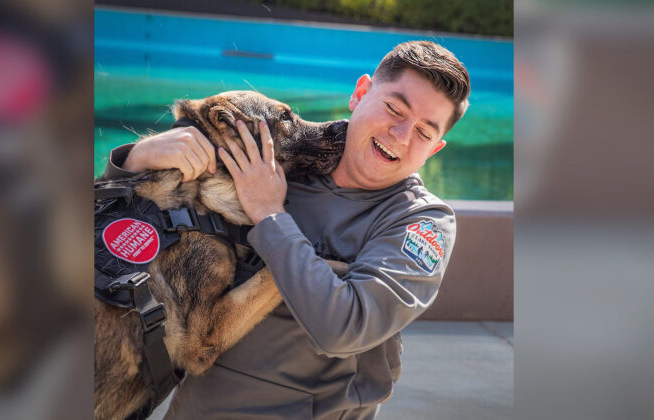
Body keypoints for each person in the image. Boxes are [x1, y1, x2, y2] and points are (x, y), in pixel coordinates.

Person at [103, 40, 470, 419]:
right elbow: (125, 239)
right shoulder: (278, 153)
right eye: (394, 108)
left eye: (424, 133)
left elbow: (345, 328)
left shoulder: (420, 222)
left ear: (435, 149)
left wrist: (269, 215)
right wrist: (134, 161)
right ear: (360, 93)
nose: (401, 135)